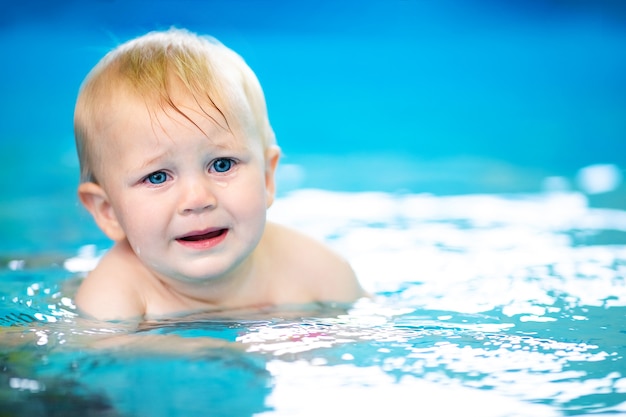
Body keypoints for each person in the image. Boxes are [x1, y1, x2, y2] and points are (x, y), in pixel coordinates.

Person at [72, 28, 366, 322]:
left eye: (222, 164)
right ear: (107, 210)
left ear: (266, 178)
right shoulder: (113, 299)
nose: (198, 199)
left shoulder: (318, 270)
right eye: (158, 177)